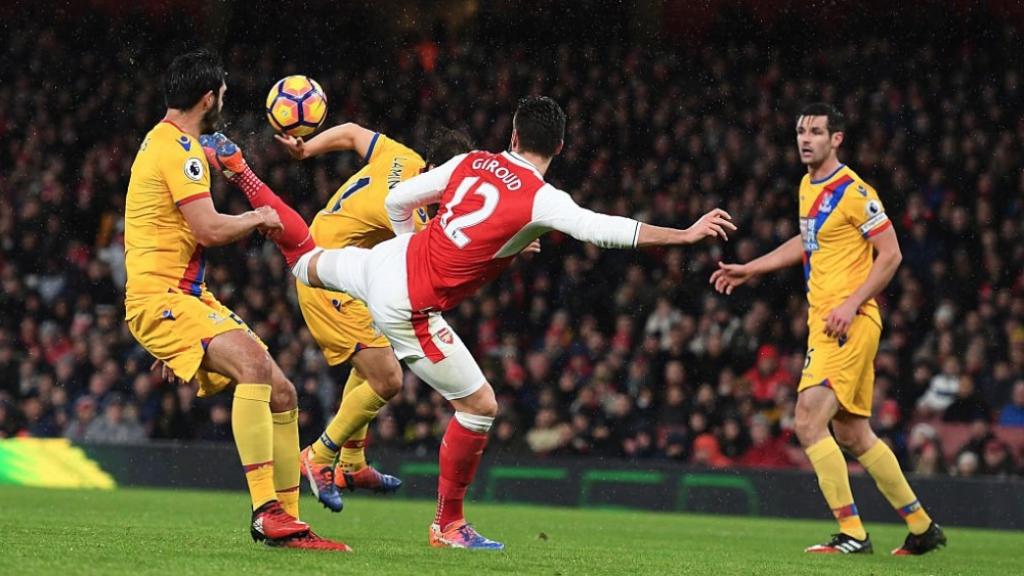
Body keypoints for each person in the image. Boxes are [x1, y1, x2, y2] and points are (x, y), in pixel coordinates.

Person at [203, 95, 734, 550]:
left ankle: (241, 172)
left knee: (302, 258)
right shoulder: (541, 198)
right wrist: (684, 235)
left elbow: (397, 199)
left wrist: (411, 242)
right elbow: (604, 230)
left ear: (512, 133)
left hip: (379, 263)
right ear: (560, 148)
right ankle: (447, 524)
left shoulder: (472, 161)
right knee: (479, 408)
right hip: (407, 304)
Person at [123, 49, 347, 551]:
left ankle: (289, 523)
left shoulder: (167, 142)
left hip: (182, 297)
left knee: (283, 391)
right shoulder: (178, 149)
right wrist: (257, 218)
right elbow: (208, 227)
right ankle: (266, 511)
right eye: (222, 94)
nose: (224, 100)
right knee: (251, 366)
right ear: (208, 97)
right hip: (162, 297)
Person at [711, 103, 946, 555]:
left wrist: (852, 303)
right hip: (827, 321)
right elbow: (808, 239)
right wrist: (752, 269)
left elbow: (892, 254)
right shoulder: (808, 185)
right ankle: (922, 528)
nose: (805, 139)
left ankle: (853, 534)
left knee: (807, 420)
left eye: (816, 132)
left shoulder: (855, 191)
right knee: (854, 434)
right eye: (801, 131)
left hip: (847, 322)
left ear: (836, 139)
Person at [261, 124, 471, 512]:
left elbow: (354, 133)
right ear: (434, 170)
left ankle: (352, 465)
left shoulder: (402, 157)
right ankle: (319, 456)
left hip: (343, 266)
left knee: (374, 363)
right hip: (328, 276)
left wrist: (307, 150)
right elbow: (437, 261)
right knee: (389, 378)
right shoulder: (412, 209)